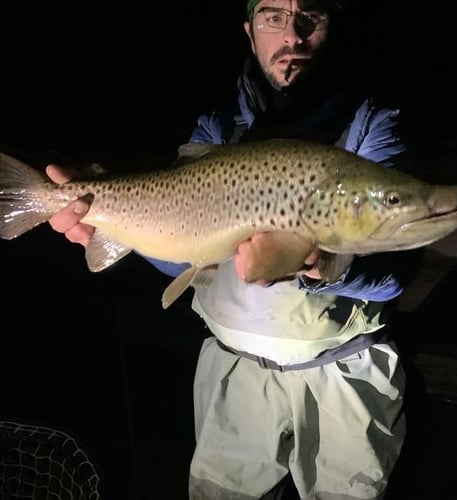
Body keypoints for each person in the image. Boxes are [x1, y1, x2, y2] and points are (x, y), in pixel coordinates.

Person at [47, 0, 422, 498]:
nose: (292, 34)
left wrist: (324, 264)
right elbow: (183, 253)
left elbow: (398, 267)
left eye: (311, 16)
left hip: (345, 372)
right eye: (273, 16)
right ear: (249, 31)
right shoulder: (218, 129)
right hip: (235, 372)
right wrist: (104, 224)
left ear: (333, 25)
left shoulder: (373, 120)